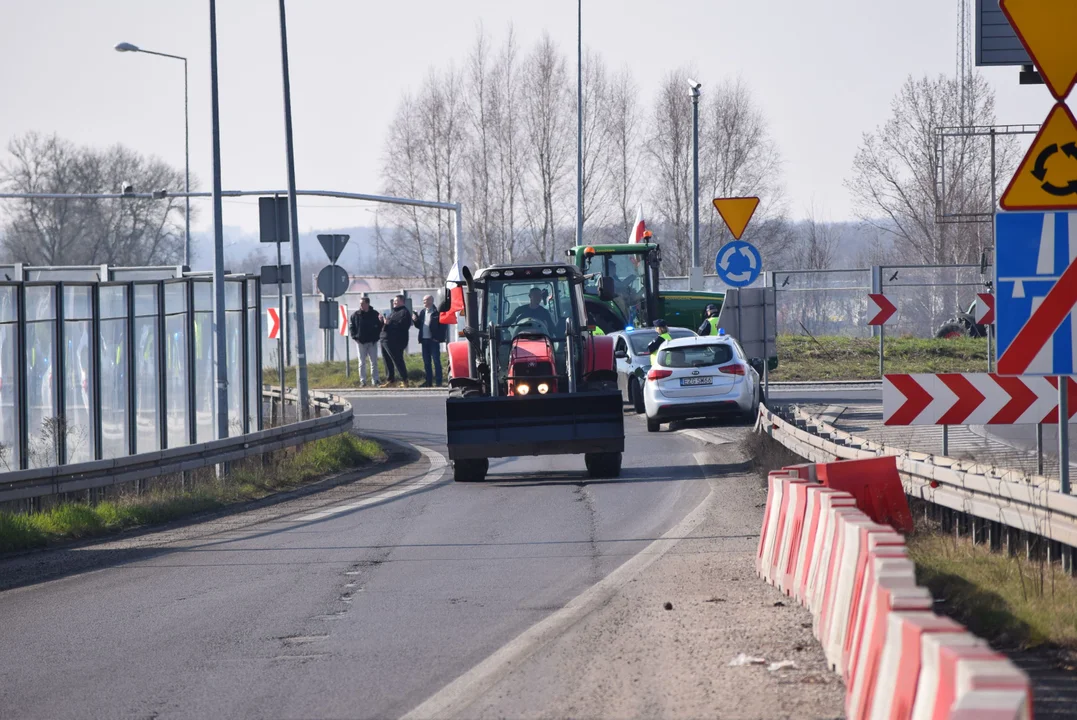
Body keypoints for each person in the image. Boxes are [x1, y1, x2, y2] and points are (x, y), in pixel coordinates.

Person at [413, 294, 446, 387]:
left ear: (431, 301)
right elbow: (420, 326)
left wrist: (438, 338)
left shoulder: (437, 312)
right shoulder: (423, 312)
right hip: (424, 340)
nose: (424, 302)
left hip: (433, 341)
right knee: (426, 362)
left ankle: (439, 382)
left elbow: (443, 327)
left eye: (426, 300)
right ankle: (429, 382)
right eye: (423, 300)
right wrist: (415, 320)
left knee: (436, 361)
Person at [349, 297, 383, 387]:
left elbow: (380, 326)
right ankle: (362, 381)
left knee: (374, 362)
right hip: (361, 342)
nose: (361, 305)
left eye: (363, 303)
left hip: (372, 342)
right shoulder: (355, 315)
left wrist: (377, 337)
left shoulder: (375, 314)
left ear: (367, 304)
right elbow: (352, 327)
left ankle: (375, 380)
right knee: (362, 362)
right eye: (360, 303)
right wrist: (355, 337)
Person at [379, 295, 412, 388]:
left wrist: (390, 323)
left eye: (396, 301)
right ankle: (390, 380)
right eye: (394, 301)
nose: (394, 302)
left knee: (397, 360)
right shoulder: (393, 312)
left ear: (402, 302)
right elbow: (387, 325)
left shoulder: (404, 313)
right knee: (387, 361)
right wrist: (383, 321)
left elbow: (403, 326)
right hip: (385, 339)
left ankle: (405, 380)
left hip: (395, 341)